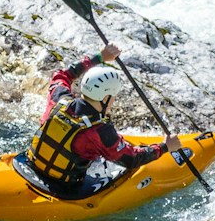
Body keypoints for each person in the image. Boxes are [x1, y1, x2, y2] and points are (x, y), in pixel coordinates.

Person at [24, 42, 183, 197]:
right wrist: (164, 147)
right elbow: (132, 159)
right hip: (63, 187)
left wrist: (99, 57)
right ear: (106, 97)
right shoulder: (100, 131)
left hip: (31, 166)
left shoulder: (60, 99)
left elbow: (62, 75)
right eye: (113, 97)